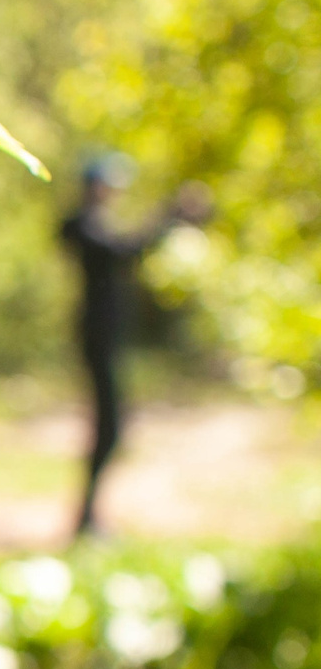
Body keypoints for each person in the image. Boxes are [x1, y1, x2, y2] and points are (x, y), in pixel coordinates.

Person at [60, 154, 213, 537]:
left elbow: (128, 246)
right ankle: (87, 518)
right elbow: (125, 251)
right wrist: (170, 216)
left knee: (113, 428)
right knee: (109, 427)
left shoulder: (97, 225)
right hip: (97, 337)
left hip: (108, 337)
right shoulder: (82, 226)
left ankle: (90, 516)